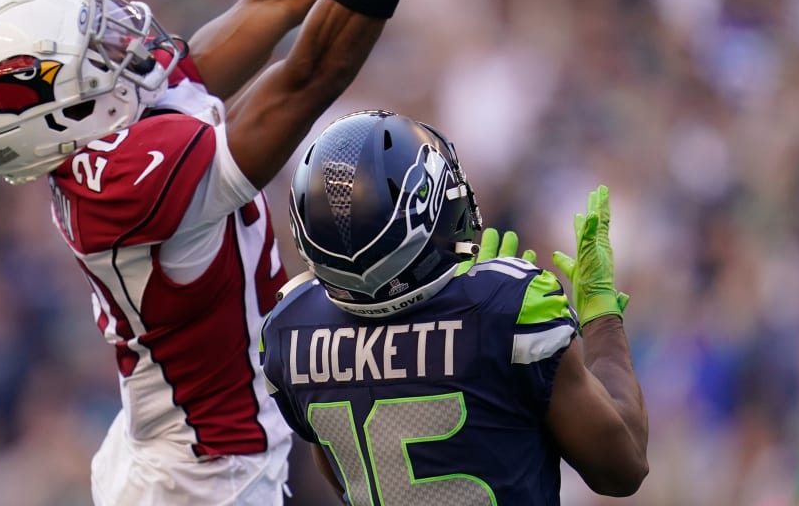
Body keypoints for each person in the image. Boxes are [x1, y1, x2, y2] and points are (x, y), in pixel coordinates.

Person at [0, 0, 516, 504]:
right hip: (205, 480)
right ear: (55, 117)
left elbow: (271, 5)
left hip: (192, 441)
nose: (123, 32)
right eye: (95, 46)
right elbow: (310, 76)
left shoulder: (116, 118)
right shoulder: (120, 182)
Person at [260, 110, 650, 504]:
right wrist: (602, 315)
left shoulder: (290, 331)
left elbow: (345, 475)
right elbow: (622, 468)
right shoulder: (511, 309)